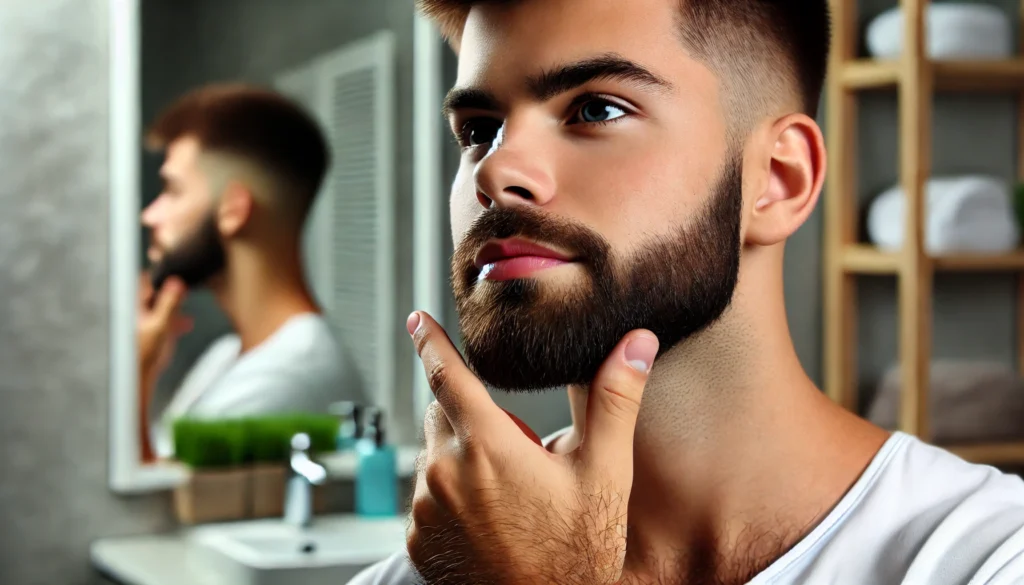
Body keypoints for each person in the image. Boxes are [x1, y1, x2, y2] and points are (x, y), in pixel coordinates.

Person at [349, 0, 1024, 583]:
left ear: (778, 179)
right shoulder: (443, 571)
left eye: (594, 108)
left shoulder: (987, 556)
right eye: (479, 130)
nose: (495, 172)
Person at [138, 84, 363, 461]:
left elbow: (154, 510)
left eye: (172, 190)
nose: (150, 215)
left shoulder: (285, 378)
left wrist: (136, 374)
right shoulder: (227, 355)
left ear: (233, 210)